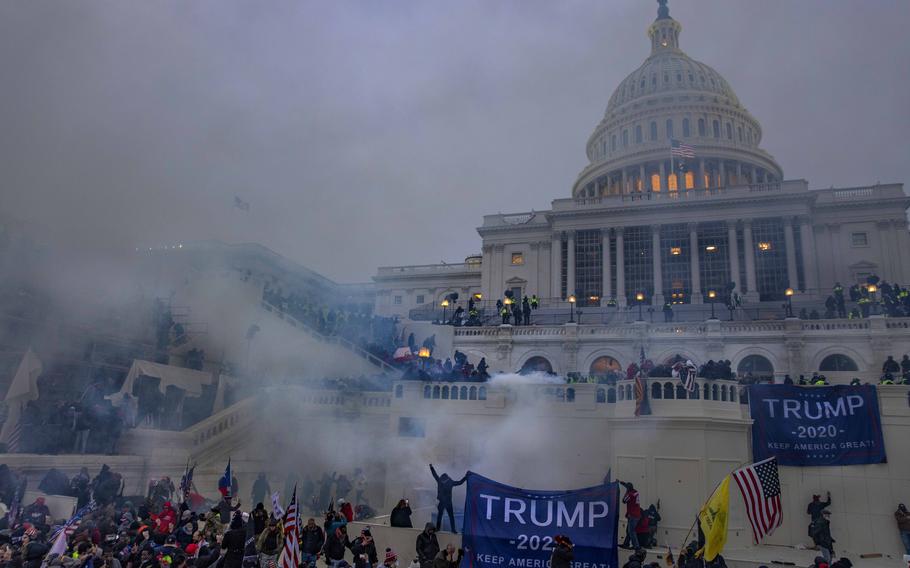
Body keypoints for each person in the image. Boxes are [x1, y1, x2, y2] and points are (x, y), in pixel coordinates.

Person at [429, 465, 466, 533]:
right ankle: (445, 529)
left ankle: (448, 529)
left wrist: (465, 477)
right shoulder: (445, 481)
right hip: (445, 502)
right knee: (444, 516)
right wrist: (431, 467)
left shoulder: (445, 481)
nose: (443, 481)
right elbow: (459, 482)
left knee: (445, 516)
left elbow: (460, 482)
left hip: (446, 502)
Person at [619, 481, 641, 550]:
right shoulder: (635, 492)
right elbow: (627, 486)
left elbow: (624, 501)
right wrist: (621, 482)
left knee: (631, 531)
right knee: (629, 530)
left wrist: (626, 492)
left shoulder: (630, 494)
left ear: (628, 489)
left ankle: (636, 546)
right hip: (637, 515)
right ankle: (626, 544)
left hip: (633, 515)